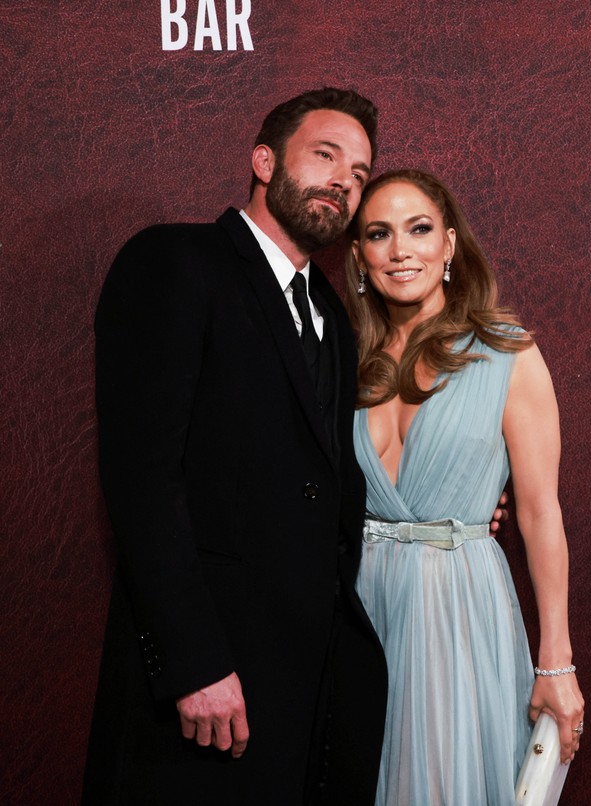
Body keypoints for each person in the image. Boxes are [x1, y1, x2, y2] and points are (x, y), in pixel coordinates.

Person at [82, 88, 389, 806]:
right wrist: (191, 663)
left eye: (360, 172)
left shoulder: (334, 319)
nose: (344, 179)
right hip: (204, 683)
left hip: (304, 689)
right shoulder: (175, 262)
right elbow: (141, 478)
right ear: (263, 160)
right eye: (325, 155)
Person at [344, 169, 585, 806]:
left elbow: (539, 514)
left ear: (449, 245)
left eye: (419, 229)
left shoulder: (507, 352)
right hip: (359, 610)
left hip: (458, 607)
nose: (401, 250)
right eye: (379, 234)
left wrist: (555, 661)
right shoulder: (342, 361)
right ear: (359, 258)